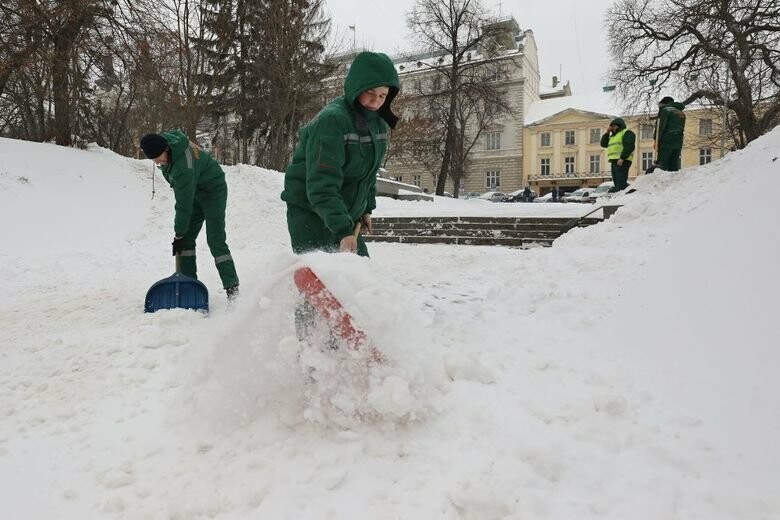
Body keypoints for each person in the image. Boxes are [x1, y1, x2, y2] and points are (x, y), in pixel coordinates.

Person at [281, 51, 400, 258]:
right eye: (370, 93)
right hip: (311, 213)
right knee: (321, 279)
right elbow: (321, 185)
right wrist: (343, 230)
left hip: (344, 215)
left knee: (359, 279)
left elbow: (368, 174)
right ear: (356, 88)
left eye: (382, 95)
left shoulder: (378, 124)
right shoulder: (332, 121)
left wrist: (366, 208)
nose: (375, 102)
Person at [140, 130, 239, 300]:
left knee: (215, 240)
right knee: (185, 240)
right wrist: (181, 236)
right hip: (194, 190)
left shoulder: (182, 167)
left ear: (166, 149)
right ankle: (189, 285)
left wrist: (178, 233)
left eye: (159, 158)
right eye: (154, 160)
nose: (158, 162)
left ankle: (232, 288)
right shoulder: (167, 147)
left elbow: (184, 205)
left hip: (213, 191)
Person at [600, 117, 636, 192]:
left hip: (623, 160)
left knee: (621, 182)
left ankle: (630, 194)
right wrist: (607, 132)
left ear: (619, 125)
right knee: (617, 182)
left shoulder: (626, 132)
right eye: (611, 126)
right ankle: (625, 193)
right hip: (614, 161)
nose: (612, 128)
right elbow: (603, 144)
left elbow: (629, 146)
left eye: (614, 126)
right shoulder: (613, 136)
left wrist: (622, 158)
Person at [654, 96, 686, 172]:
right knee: (673, 166)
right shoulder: (681, 113)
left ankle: (661, 183)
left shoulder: (666, 110)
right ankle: (673, 183)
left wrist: (656, 140)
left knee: (662, 166)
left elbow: (661, 127)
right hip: (678, 142)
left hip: (666, 142)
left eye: (660, 105)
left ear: (664, 103)